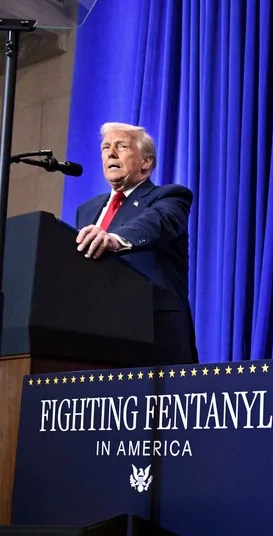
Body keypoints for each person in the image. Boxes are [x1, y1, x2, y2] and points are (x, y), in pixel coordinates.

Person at [75, 122, 198, 364]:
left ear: (146, 162)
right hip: (96, 336)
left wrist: (114, 239)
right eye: (105, 147)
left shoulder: (170, 196)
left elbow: (156, 223)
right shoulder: (87, 210)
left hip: (154, 337)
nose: (110, 153)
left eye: (121, 146)